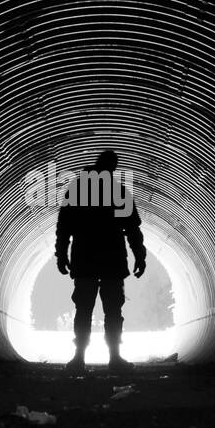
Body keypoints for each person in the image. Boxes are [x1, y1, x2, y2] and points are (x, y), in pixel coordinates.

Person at [54, 150, 146, 370]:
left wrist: (62, 254)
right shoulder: (118, 192)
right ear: (112, 168)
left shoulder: (78, 191)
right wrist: (139, 256)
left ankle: (79, 358)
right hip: (111, 261)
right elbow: (133, 229)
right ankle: (114, 358)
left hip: (85, 260)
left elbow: (64, 227)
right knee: (113, 310)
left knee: (84, 309)